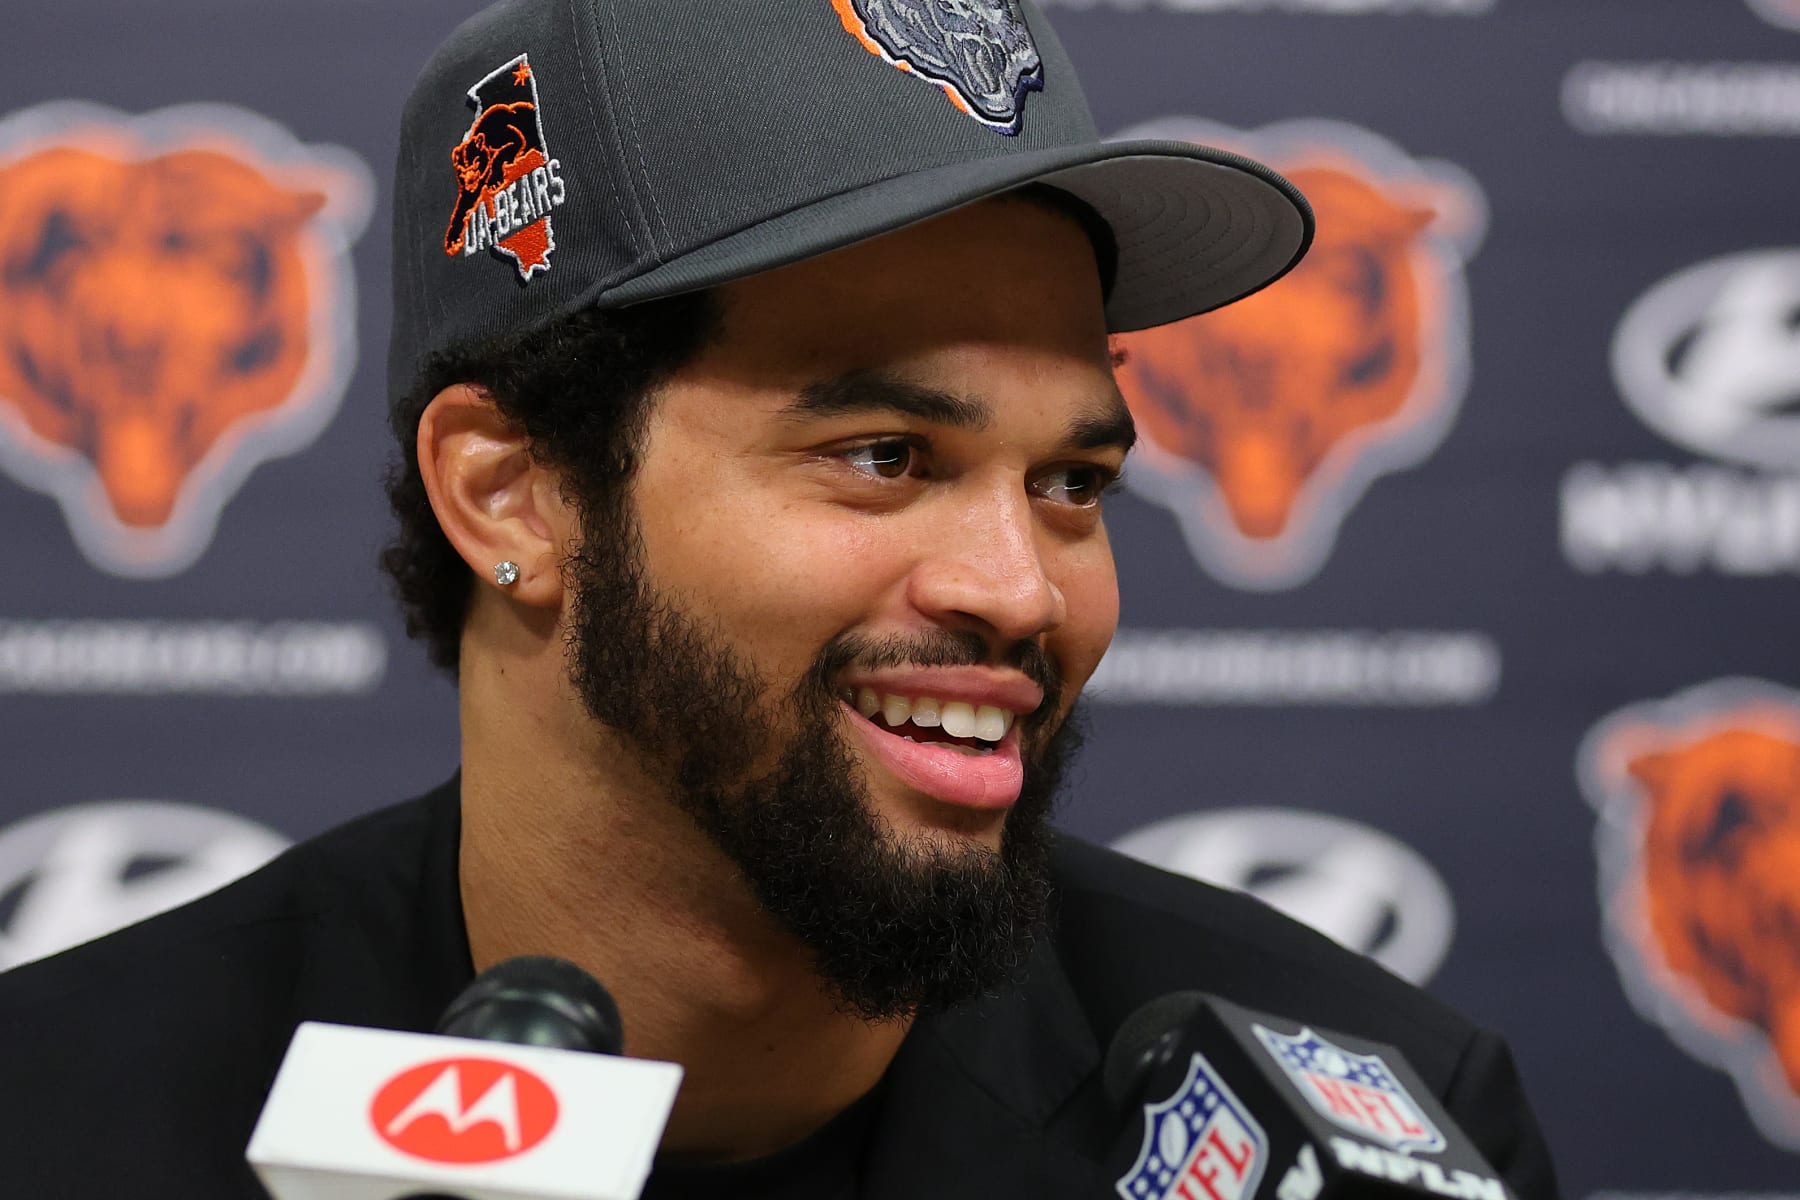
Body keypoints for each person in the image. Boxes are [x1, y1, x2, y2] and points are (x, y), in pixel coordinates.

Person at [0, 1, 1560, 1196]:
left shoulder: (1369, 1124)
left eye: (1073, 483)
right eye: (886, 456)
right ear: (510, 491)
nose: (1021, 591)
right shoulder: (71, 1118)